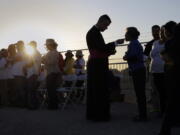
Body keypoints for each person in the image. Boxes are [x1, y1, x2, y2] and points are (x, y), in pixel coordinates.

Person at [86, 14, 124, 122]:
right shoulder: (93, 32)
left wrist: (110, 51)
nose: (106, 28)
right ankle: (99, 115)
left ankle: (95, 114)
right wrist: (115, 43)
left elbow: (100, 50)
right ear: (101, 22)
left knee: (98, 89)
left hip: (97, 64)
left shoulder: (94, 32)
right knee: (99, 89)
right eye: (106, 25)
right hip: (97, 66)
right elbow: (100, 48)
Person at [123, 27, 147, 122]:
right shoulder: (136, 43)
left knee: (139, 93)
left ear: (130, 35)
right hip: (139, 70)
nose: (125, 36)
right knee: (141, 93)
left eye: (126, 34)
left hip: (137, 70)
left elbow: (133, 57)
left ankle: (142, 115)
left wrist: (126, 57)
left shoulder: (133, 44)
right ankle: (142, 114)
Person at [159, 21, 178, 135]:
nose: (164, 33)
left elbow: (169, 60)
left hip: (172, 76)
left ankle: (165, 131)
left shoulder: (170, 43)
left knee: (170, 103)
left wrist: (164, 56)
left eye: (165, 30)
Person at [150, 26, 167, 116]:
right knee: (157, 92)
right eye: (160, 32)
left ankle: (165, 112)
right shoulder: (155, 42)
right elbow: (151, 55)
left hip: (164, 71)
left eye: (162, 32)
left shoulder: (168, 43)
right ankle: (159, 110)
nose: (160, 34)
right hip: (155, 71)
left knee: (164, 92)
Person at [42, 39, 62, 110]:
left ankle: (53, 106)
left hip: (52, 73)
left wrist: (44, 60)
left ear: (51, 45)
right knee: (51, 90)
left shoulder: (53, 52)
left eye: (47, 45)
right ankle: (53, 105)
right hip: (51, 72)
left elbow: (52, 62)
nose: (47, 46)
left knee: (51, 90)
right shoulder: (51, 52)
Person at [26, 41, 41, 109]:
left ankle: (33, 105)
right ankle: (35, 104)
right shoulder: (36, 53)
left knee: (31, 89)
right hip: (34, 72)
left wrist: (24, 66)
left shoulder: (35, 53)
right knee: (33, 90)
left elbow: (31, 63)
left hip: (32, 73)